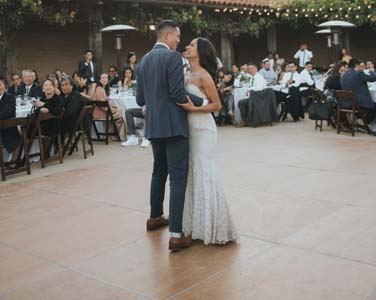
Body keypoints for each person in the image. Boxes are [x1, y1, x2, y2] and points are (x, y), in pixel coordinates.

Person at [136, 20, 211, 252]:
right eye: (177, 36)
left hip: (154, 127)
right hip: (174, 126)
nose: (179, 41)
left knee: (159, 171)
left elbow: (140, 100)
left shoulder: (143, 61)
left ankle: (155, 216)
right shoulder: (173, 58)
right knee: (178, 178)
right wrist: (203, 101)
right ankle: (177, 235)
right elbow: (178, 94)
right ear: (167, 35)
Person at [177, 37, 238, 245]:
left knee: (204, 170)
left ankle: (214, 225)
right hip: (189, 129)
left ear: (201, 52)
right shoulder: (185, 74)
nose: (187, 46)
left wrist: (195, 109)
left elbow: (217, 105)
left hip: (204, 128)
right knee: (194, 171)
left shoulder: (204, 76)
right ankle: (197, 225)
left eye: (192, 44)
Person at [341, 58, 376, 126]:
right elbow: (373, 78)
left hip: (347, 102)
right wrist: (371, 71)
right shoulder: (358, 73)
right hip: (358, 103)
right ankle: (365, 123)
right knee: (374, 106)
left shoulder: (344, 75)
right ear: (357, 65)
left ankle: (361, 120)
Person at [91, 73, 126, 140]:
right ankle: (122, 135)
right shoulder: (99, 89)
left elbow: (106, 104)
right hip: (101, 113)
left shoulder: (103, 89)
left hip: (105, 111)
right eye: (103, 78)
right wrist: (114, 110)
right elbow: (102, 106)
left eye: (106, 78)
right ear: (99, 80)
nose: (105, 79)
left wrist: (114, 109)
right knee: (122, 112)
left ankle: (117, 135)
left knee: (121, 110)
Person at [60, 76, 86, 142]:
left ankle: (54, 148)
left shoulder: (75, 96)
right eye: (62, 85)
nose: (64, 87)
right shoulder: (70, 95)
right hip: (75, 123)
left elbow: (69, 113)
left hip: (74, 125)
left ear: (72, 85)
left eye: (66, 84)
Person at [0, 77, 21, 159]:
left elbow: (7, 113)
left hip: (8, 128)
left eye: (0, 85)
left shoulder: (10, 97)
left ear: (4, 85)